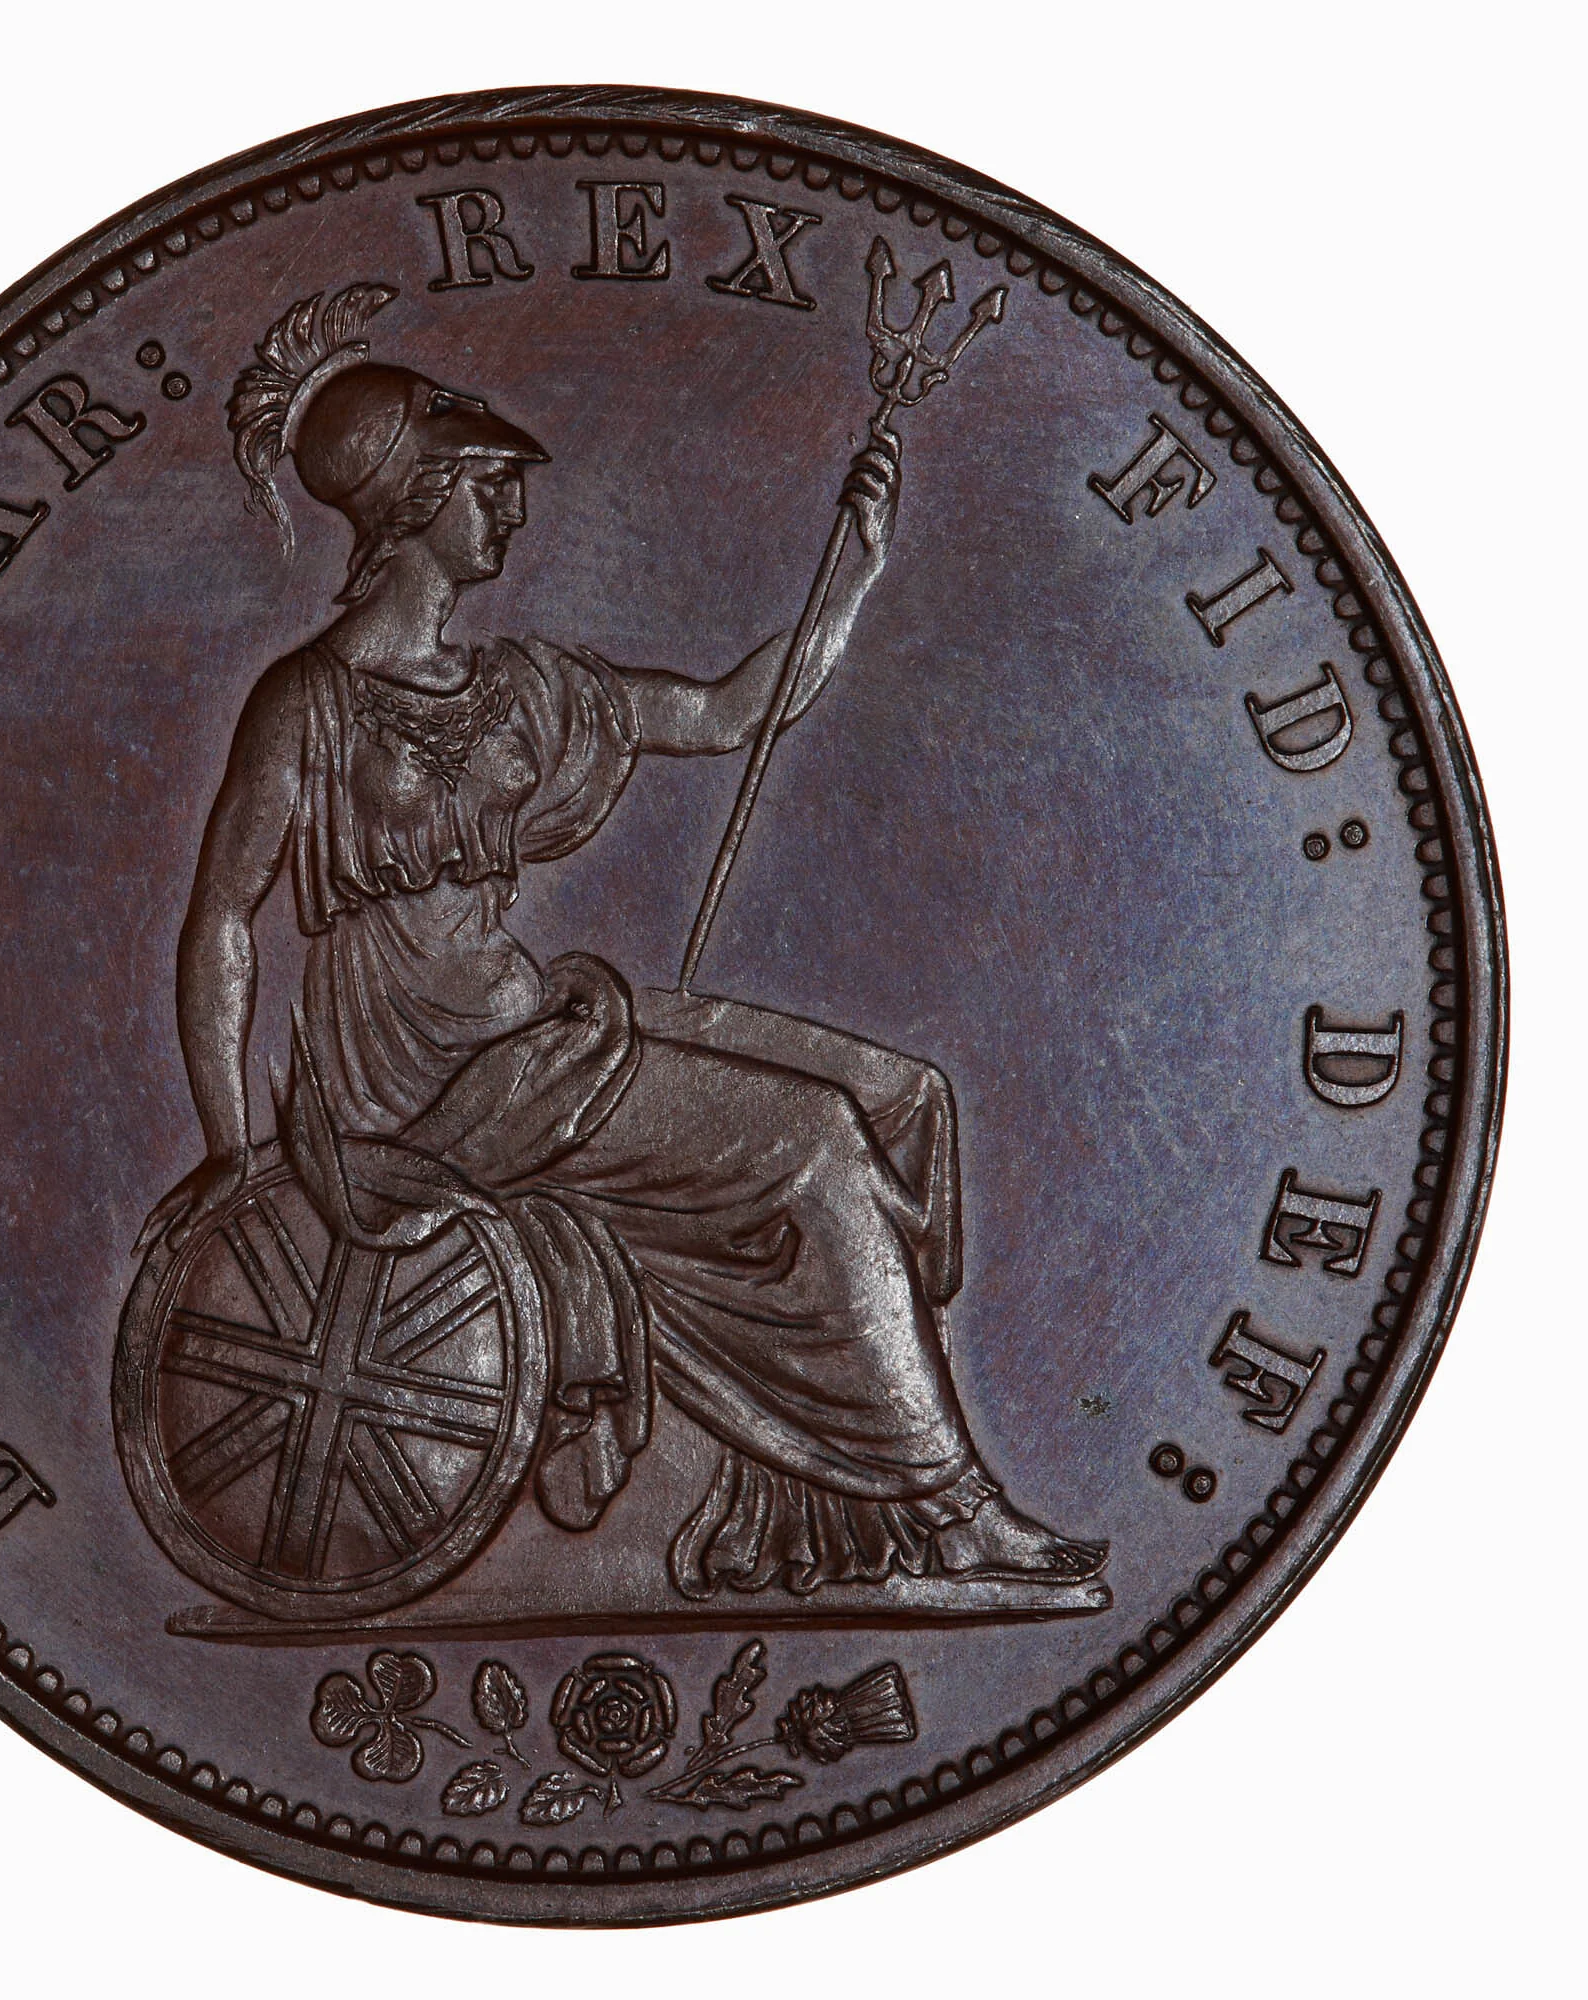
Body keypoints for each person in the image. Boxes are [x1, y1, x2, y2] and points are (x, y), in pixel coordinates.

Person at [137, 286, 1102, 1595]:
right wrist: (233, 1152)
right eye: (489, 484)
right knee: (818, 1140)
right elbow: (221, 916)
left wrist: (852, 579)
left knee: (898, 1096)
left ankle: (818, 1509)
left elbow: (727, 713)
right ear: (416, 498)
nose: (514, 510)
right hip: (425, 1086)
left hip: (537, 1041)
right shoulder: (303, 704)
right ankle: (951, 1507)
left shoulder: (517, 688)